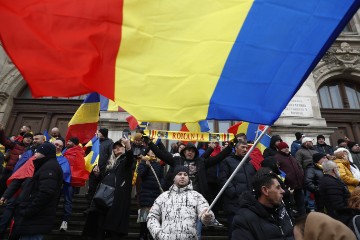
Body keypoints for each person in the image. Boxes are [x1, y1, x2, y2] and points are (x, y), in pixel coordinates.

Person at [82, 138, 134, 239]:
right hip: (103, 198)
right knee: (100, 226)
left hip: (116, 198)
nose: (117, 149)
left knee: (112, 229)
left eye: (120, 147)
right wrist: (98, 175)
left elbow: (130, 158)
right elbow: (105, 180)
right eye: (115, 148)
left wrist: (128, 146)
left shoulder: (125, 161)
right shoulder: (110, 164)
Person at [10, 142, 63, 239]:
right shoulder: (46, 165)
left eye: (38, 152)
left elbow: (46, 193)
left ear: (44, 153)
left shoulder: (49, 167)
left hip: (35, 219)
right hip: (34, 220)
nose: (35, 154)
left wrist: (28, 210)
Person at [147, 166, 214, 240]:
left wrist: (207, 217)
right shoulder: (163, 197)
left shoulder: (197, 196)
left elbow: (206, 213)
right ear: (174, 178)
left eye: (185, 175)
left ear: (188, 178)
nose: (182, 176)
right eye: (179, 174)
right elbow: (152, 217)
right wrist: (158, 234)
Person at [232, 169, 294, 240]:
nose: (283, 191)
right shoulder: (244, 218)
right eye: (278, 187)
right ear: (265, 190)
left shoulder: (282, 211)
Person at [218, 139, 256, 238]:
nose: (245, 149)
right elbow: (223, 179)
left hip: (248, 203)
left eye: (246, 148)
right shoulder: (227, 161)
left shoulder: (249, 164)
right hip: (233, 202)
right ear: (236, 148)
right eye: (242, 147)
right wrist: (234, 192)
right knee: (234, 231)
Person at [0, 124, 33, 197]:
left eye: (30, 138)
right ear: (23, 138)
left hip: (18, 174)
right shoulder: (15, 145)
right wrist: (1, 131)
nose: (29, 139)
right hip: (8, 171)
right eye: (27, 137)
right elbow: (4, 141)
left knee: (10, 194)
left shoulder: (31, 150)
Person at [137, 150, 163, 240]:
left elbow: (161, 178)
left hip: (156, 194)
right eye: (151, 151)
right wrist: (147, 167)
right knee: (144, 219)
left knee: (154, 217)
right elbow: (141, 175)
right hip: (145, 193)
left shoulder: (158, 165)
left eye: (154, 151)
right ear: (147, 153)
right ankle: (142, 235)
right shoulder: (142, 163)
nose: (153, 153)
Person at [274, 141, 305, 216]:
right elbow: (277, 171)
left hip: (298, 184)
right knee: (290, 205)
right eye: (284, 148)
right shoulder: (277, 158)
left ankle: (303, 219)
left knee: (301, 204)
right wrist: (286, 179)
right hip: (288, 186)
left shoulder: (291, 157)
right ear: (280, 149)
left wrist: (301, 174)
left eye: (287, 147)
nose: (286, 149)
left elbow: (298, 167)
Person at [86, 128, 113, 210]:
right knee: (91, 189)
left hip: (103, 172)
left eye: (99, 132)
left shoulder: (110, 143)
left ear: (103, 133)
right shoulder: (94, 141)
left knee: (100, 191)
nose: (97, 133)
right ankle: (89, 207)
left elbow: (110, 157)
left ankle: (97, 208)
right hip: (92, 170)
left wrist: (103, 169)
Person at [53, 139, 72, 232]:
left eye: (60, 146)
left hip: (61, 185)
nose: (58, 147)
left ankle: (65, 221)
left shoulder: (64, 159)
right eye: (56, 145)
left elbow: (66, 172)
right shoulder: (43, 155)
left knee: (66, 201)